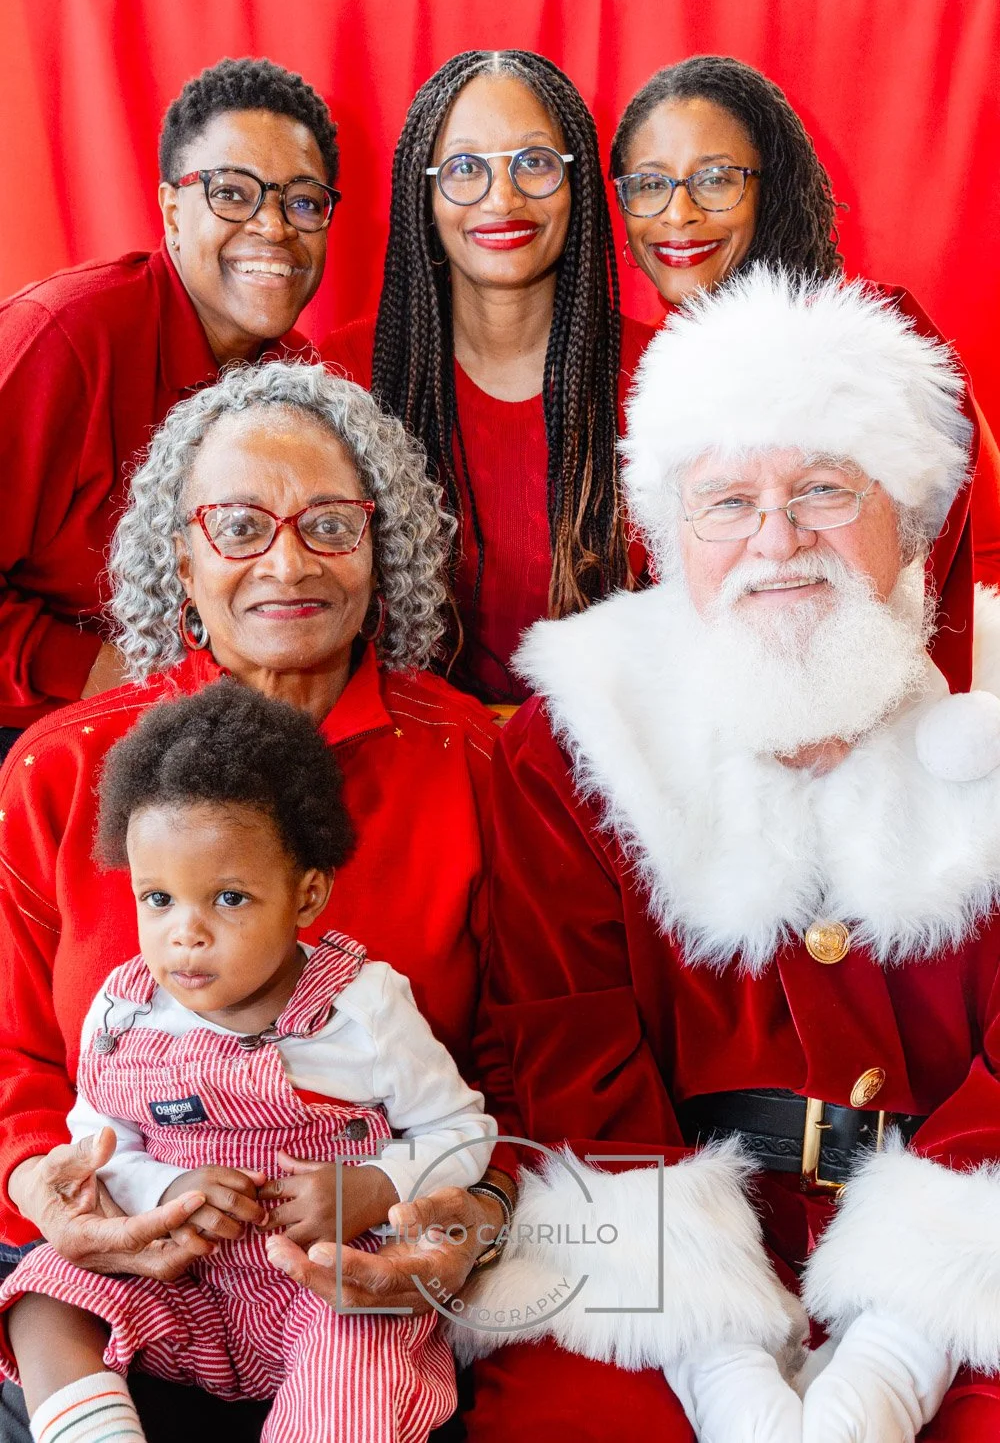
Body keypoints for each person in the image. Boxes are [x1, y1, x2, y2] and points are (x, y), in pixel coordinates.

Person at [454, 268, 1000, 1440]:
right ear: (668, 536)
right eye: (727, 504)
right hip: (649, 1233)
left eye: (821, 491)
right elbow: (569, 1057)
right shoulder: (581, 737)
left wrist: (894, 1359)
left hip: (975, 1223)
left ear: (906, 518)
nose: (776, 542)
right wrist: (724, 1371)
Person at [0, 362, 512, 1440]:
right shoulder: (62, 771)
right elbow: (15, 1068)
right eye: (237, 525)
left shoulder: (474, 765)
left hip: (353, 1277)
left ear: (384, 548)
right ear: (177, 556)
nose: (287, 561)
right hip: (130, 1265)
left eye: (329, 523)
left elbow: (531, 1073)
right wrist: (55, 1194)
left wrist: (462, 1208)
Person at [0, 680, 495, 1443]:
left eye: (228, 899)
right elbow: (101, 1147)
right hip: (179, 1282)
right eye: (157, 899)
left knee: (360, 1350)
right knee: (43, 1291)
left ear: (306, 894)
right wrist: (168, 1187)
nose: (185, 935)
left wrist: (375, 1188)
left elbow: (464, 1133)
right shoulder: (122, 1009)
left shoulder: (361, 1008)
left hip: (321, 1282)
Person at [0, 56, 339, 754]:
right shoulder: (64, 340)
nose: (274, 227)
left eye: (303, 201)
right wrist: (104, 672)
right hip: (35, 740)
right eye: (233, 193)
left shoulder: (301, 386)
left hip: (205, 743)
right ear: (170, 210)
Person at [322, 49, 653, 703]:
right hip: (408, 767)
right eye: (466, 168)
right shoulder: (344, 378)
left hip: (614, 774)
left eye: (533, 163)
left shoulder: (665, 376)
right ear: (425, 193)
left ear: (577, 184)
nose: (502, 198)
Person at [608, 54, 1000, 587]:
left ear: (773, 190)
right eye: (650, 184)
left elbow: (985, 553)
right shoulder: (624, 367)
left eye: (717, 178)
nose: (679, 214)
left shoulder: (874, 345)